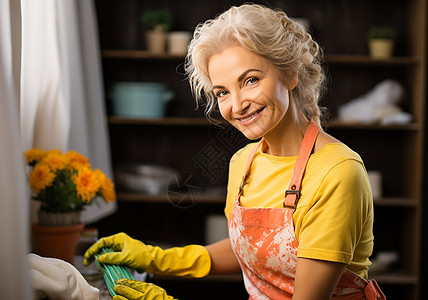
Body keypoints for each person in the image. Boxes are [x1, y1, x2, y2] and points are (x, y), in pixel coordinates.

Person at [84, 4, 385, 300]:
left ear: (290, 74)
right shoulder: (243, 162)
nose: (237, 105)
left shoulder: (337, 172)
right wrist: (156, 258)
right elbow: (251, 249)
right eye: (223, 92)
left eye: (251, 80)